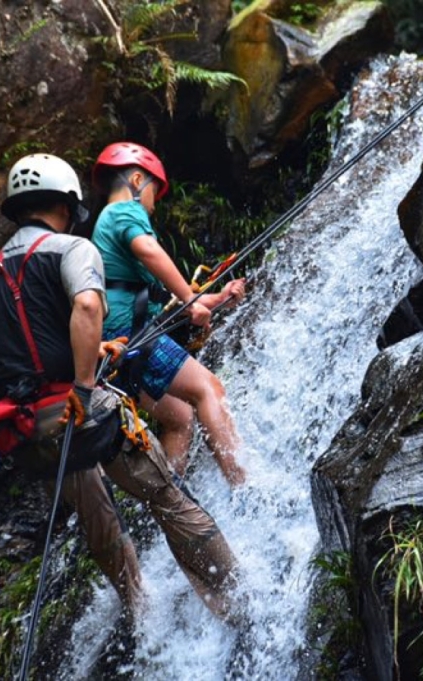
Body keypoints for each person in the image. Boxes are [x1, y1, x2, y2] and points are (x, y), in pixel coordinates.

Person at [0, 153, 241, 619]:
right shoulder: (70, 249)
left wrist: (93, 350)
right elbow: (85, 306)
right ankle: (237, 597)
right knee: (168, 497)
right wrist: (83, 385)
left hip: (29, 427)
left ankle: (139, 610)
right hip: (80, 409)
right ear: (66, 204)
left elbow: (24, 346)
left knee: (98, 522)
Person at [90, 141, 248, 487]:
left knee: (180, 417)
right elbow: (149, 250)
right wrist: (192, 301)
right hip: (128, 332)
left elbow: (167, 304)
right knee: (208, 388)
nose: (152, 206)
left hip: (116, 340)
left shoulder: (107, 227)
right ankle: (245, 487)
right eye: (153, 194)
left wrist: (217, 299)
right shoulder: (124, 210)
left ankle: (168, 503)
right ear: (136, 180)